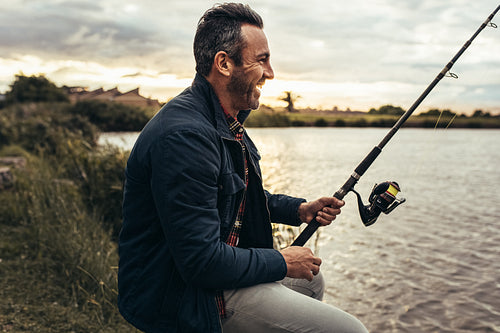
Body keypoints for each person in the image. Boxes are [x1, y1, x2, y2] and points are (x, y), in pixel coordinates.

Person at [118, 3, 369, 333]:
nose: (271, 72)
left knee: (312, 279)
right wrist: (282, 260)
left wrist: (300, 209)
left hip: (208, 282)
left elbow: (233, 194)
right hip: (185, 296)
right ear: (224, 64)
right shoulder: (186, 137)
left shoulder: (221, 119)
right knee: (351, 331)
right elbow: (202, 262)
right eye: (261, 59)